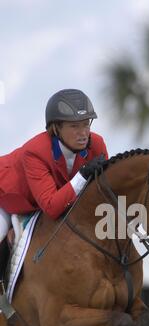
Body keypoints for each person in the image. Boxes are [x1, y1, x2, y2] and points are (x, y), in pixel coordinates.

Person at [0, 88, 108, 291]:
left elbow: (101, 194)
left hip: (38, 204)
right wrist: (82, 176)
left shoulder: (97, 144)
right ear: (56, 128)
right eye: (75, 126)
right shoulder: (35, 151)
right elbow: (51, 206)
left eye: (86, 124)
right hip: (7, 200)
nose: (83, 133)